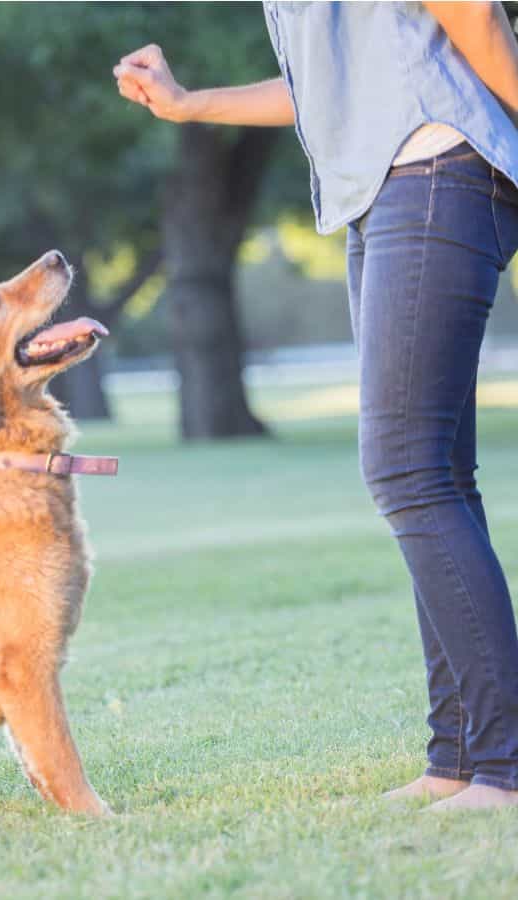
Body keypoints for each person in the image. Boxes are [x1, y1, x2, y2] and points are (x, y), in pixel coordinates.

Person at [114, 1, 518, 810]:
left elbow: (471, 11)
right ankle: (457, 755)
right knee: (437, 475)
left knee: (406, 472)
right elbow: (331, 86)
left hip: (437, 166)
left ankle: (507, 763)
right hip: (386, 188)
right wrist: (190, 103)